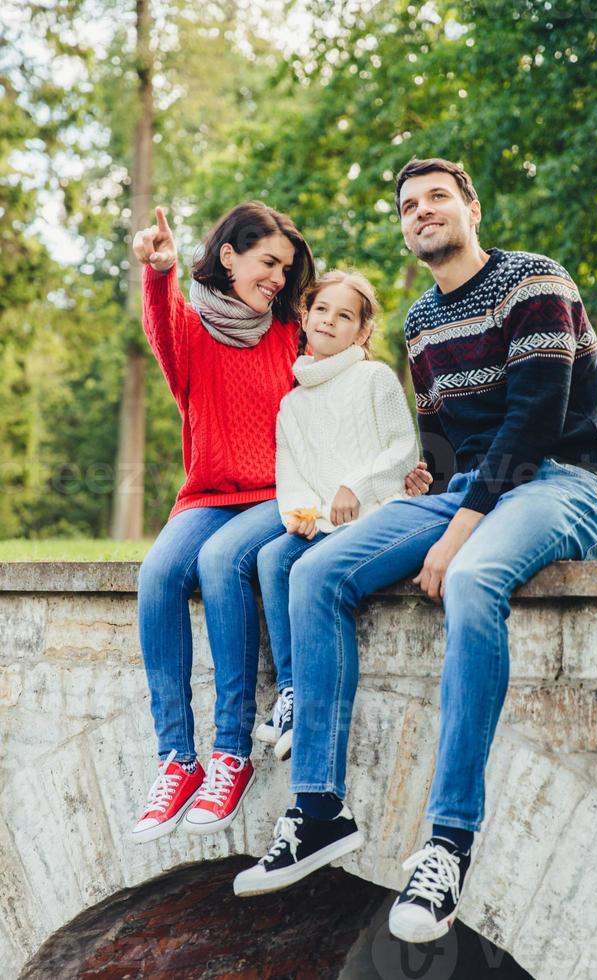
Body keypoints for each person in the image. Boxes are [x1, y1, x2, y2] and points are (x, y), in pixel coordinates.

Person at [233, 158, 597, 948]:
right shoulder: (419, 321)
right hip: (470, 488)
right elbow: (451, 445)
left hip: (561, 482)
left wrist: (456, 526)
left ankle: (447, 845)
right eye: (408, 205)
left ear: (471, 207)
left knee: (473, 578)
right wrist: (430, 481)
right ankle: (317, 810)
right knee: (314, 570)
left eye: (437, 197)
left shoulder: (533, 281)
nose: (421, 211)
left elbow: (536, 419)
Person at [130, 205, 430, 845]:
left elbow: (340, 403)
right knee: (156, 574)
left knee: (220, 565)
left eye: (286, 270)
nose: (277, 278)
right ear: (230, 255)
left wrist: (394, 476)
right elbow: (162, 322)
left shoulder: (289, 334)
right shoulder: (191, 333)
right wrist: (160, 272)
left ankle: (231, 751)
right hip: (206, 496)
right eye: (268, 262)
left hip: (279, 494)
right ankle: (177, 759)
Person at [254, 270, 420, 762]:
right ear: (304, 317)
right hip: (323, 524)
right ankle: (291, 694)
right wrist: (298, 513)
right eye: (322, 310)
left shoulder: (374, 379)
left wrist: (358, 485)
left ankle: (303, 703)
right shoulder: (292, 404)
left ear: (362, 331)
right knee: (272, 557)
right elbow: (293, 472)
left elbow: (403, 449)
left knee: (301, 569)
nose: (330, 321)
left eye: (345, 315)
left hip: (375, 518)